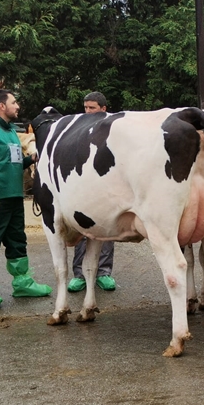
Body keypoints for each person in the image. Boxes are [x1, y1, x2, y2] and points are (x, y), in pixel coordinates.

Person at [0, 90, 52, 308]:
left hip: (13, 195)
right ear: (1, 106)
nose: (18, 106)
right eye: (14, 102)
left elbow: (11, 162)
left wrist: (30, 159)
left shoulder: (12, 131)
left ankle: (22, 283)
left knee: (17, 240)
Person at [67, 91, 117, 292]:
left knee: (106, 230)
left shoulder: (114, 128)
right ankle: (80, 274)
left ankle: (103, 272)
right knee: (82, 230)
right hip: (83, 187)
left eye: (92, 108)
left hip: (107, 187)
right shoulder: (78, 129)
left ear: (103, 109)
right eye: (85, 107)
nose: (87, 112)